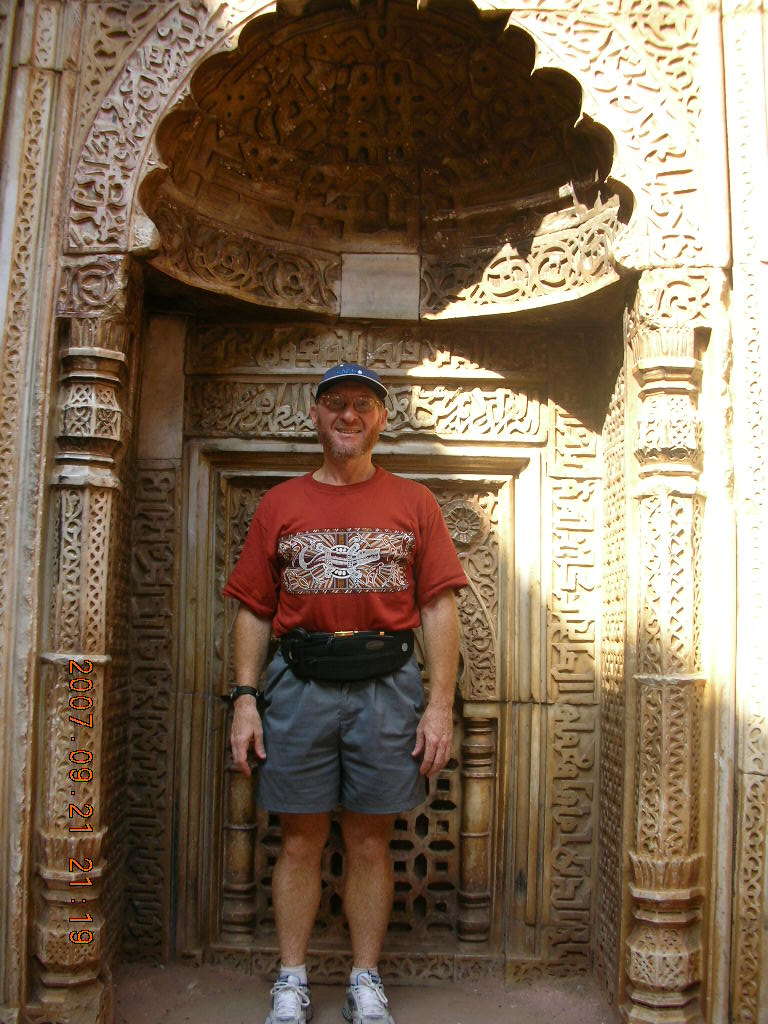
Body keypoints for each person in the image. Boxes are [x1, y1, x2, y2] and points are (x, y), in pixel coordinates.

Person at [223, 363, 467, 1024]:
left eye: (362, 404)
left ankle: (365, 979)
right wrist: (245, 699)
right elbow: (253, 609)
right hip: (298, 686)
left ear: (381, 419)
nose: (348, 416)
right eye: (335, 403)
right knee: (299, 840)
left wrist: (438, 705)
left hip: (387, 687)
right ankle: (291, 979)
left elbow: (438, 606)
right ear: (315, 415)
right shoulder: (281, 504)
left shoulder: (414, 502)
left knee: (369, 841)